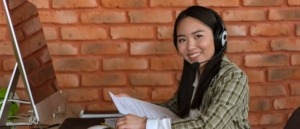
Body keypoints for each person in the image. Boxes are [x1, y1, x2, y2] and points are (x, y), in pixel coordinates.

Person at [116, 5, 250, 129]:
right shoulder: (194, 73)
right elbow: (170, 109)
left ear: (219, 38)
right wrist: (133, 104)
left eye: (198, 36)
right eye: (182, 40)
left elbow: (209, 126)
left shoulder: (233, 77)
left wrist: (146, 125)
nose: (190, 46)